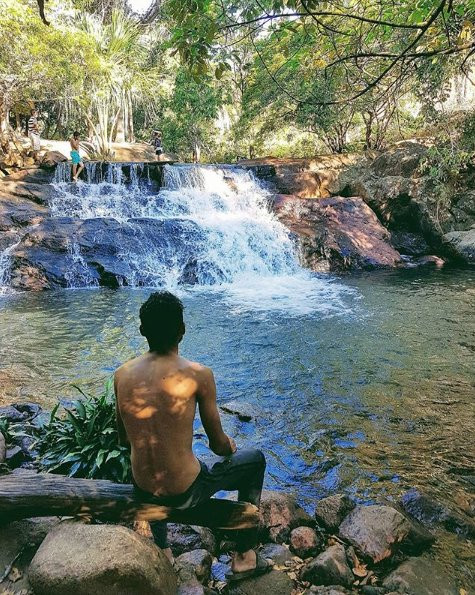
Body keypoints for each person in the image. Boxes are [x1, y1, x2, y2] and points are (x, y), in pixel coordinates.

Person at [114, 291, 270, 582]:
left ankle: (163, 550)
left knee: (154, 463)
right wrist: (230, 445)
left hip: (143, 488)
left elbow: (123, 441)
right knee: (256, 461)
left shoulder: (122, 374)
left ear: (142, 331)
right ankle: (245, 556)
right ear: (182, 331)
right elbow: (219, 446)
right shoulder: (198, 374)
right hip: (186, 494)